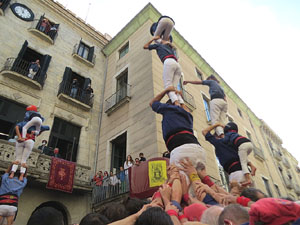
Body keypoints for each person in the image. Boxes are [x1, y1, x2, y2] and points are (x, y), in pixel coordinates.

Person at [150, 86, 206, 185]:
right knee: (200, 187)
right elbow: (184, 107)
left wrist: (166, 90)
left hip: (181, 150)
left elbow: (152, 103)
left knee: (182, 187)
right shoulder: (188, 115)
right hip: (198, 150)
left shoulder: (169, 109)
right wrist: (179, 98)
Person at [144, 37, 183, 106]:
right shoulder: (171, 48)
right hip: (177, 65)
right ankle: (182, 104)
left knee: (168, 86)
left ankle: (177, 104)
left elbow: (145, 46)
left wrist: (153, 39)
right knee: (174, 88)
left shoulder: (159, 45)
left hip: (169, 62)